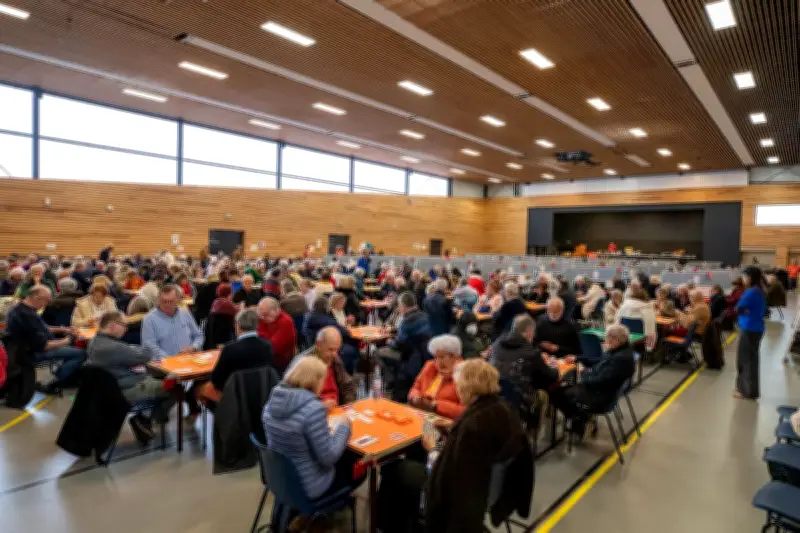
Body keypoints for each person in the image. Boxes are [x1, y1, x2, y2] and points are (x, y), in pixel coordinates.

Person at [379, 359, 533, 533]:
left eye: (458, 385)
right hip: (493, 485)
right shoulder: (500, 409)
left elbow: (454, 475)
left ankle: (390, 525)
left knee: (394, 469)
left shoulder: (473, 426)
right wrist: (452, 429)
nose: (457, 390)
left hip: (466, 493)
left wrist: (433, 449)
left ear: (468, 387)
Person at [262, 356, 364, 510]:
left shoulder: (271, 403)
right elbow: (328, 458)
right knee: (357, 462)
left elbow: (296, 417)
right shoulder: (313, 411)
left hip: (280, 478)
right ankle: (328, 509)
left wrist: (320, 408)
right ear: (315, 381)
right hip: (309, 486)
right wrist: (344, 426)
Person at [87, 310, 174, 444]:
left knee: (159, 379)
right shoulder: (114, 348)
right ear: (113, 325)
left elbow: (128, 350)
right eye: (124, 325)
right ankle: (144, 419)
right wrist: (135, 348)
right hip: (128, 390)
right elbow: (146, 354)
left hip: (110, 390)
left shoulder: (94, 342)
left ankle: (145, 418)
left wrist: (131, 348)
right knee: (177, 387)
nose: (126, 329)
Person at [550, 324, 635, 435]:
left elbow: (597, 380)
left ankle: (580, 419)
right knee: (564, 391)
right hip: (604, 390)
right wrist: (577, 358)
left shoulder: (620, 359)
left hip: (601, 397)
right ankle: (580, 419)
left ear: (617, 340)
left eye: (607, 340)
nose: (605, 342)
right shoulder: (620, 351)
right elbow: (600, 361)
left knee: (557, 393)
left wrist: (583, 372)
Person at [3, 286, 86, 393]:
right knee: (81, 354)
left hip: (19, 349)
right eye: (47, 300)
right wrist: (68, 340)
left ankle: (62, 374)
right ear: (37, 298)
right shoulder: (28, 316)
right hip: (32, 353)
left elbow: (43, 328)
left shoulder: (19, 309)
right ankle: (55, 380)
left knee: (71, 350)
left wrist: (63, 329)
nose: (47, 303)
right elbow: (45, 346)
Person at [196, 309, 274, 407]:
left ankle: (216, 416)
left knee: (200, 389)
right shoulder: (267, 345)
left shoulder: (230, 349)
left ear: (237, 325)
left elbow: (216, 379)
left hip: (234, 394)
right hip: (261, 391)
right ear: (257, 325)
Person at [492, 314, 560, 410]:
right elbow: (550, 375)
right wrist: (555, 368)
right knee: (544, 394)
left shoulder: (498, 343)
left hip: (496, 393)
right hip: (520, 398)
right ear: (529, 331)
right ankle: (538, 423)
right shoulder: (531, 353)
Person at [408, 335, 465, 419]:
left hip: (448, 423)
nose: (438, 362)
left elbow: (466, 411)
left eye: (442, 357)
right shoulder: (430, 365)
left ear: (455, 357)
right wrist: (415, 397)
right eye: (436, 357)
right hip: (422, 415)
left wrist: (436, 405)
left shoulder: (465, 374)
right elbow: (416, 387)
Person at [141, 285, 204, 360]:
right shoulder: (149, 319)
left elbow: (198, 335)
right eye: (164, 301)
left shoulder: (185, 313)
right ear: (158, 300)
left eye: (171, 301)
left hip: (188, 360)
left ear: (178, 300)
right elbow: (150, 346)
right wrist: (172, 359)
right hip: (163, 364)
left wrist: (194, 347)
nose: (167, 304)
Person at [298, 327, 356, 409]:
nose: (335, 354)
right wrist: (321, 406)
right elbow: (297, 400)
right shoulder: (303, 364)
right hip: (313, 415)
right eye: (331, 349)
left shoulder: (335, 360)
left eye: (337, 350)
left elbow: (347, 386)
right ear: (319, 345)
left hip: (337, 411)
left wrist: (348, 404)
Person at [734, 267, 766, 400]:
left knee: (745, 361)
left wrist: (742, 311)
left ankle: (746, 391)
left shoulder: (751, 292)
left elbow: (738, 308)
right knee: (752, 360)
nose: (743, 279)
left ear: (750, 277)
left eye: (745, 276)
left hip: (749, 328)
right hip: (756, 328)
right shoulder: (759, 291)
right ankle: (750, 390)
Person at [256, 297, 297, 374]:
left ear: (276, 310)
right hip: (266, 361)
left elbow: (274, 348)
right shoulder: (263, 317)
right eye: (260, 315)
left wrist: (262, 337)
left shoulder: (286, 321)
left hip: (280, 364)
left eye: (265, 314)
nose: (262, 317)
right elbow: (258, 338)